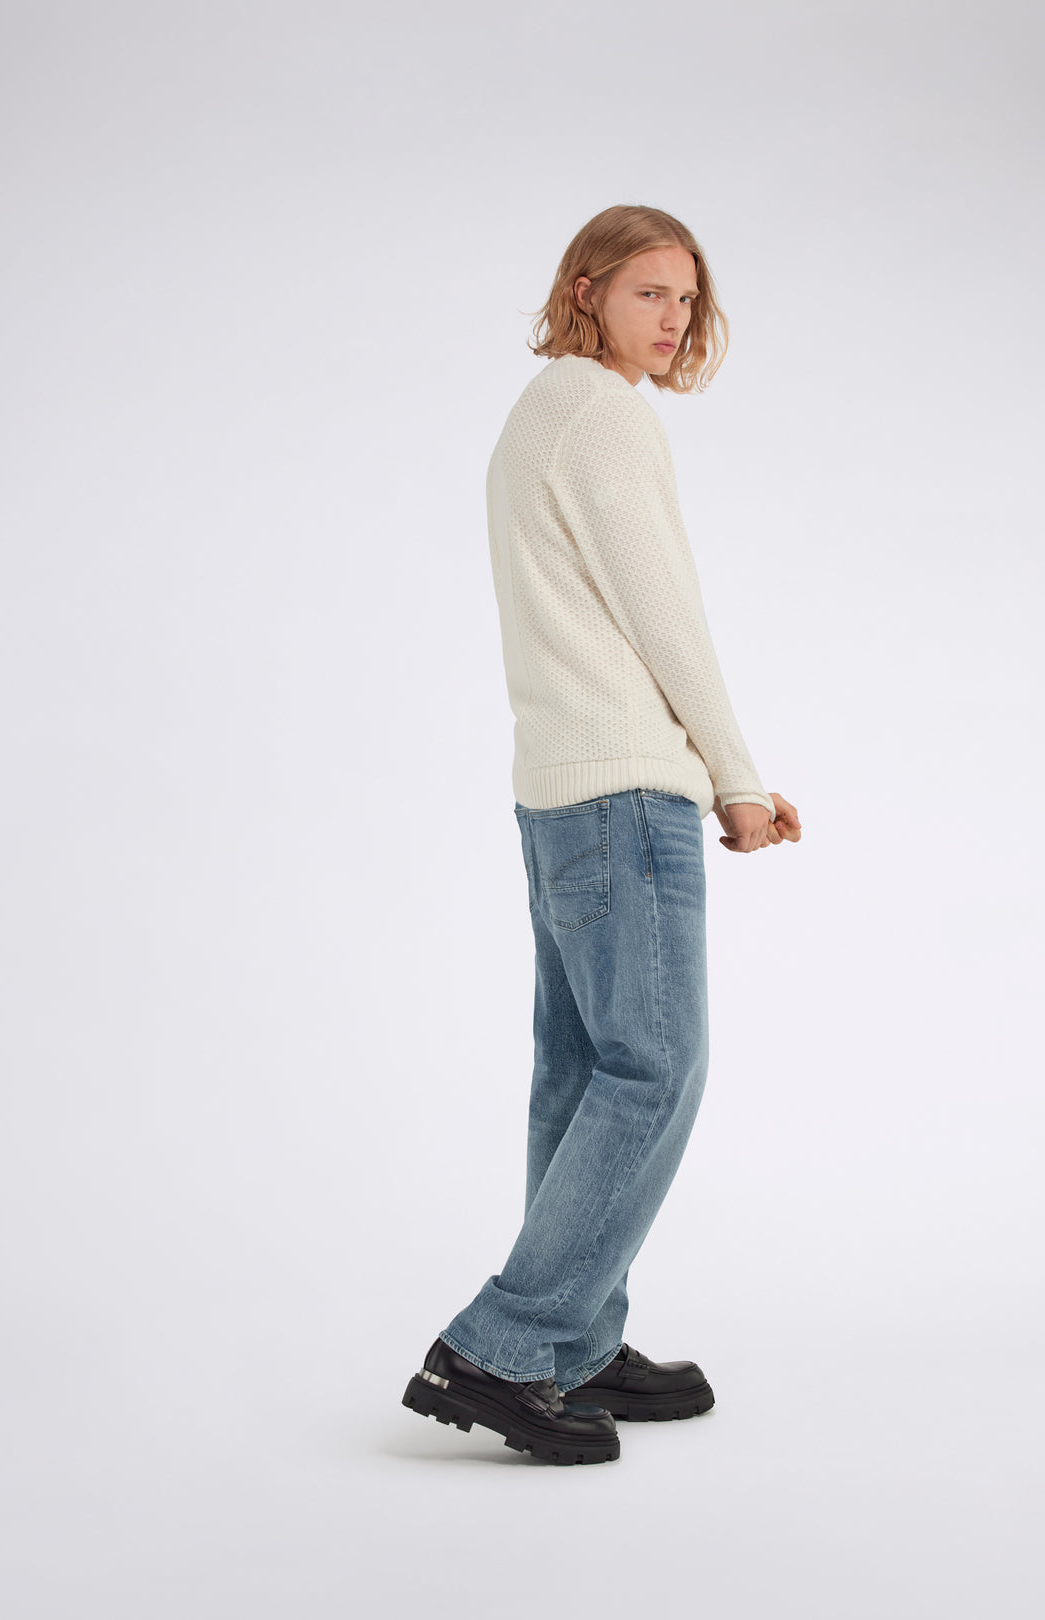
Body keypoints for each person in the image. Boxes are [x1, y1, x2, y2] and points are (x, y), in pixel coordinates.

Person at [402, 204, 802, 1466]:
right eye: (648, 293)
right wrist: (736, 774)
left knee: (583, 1073)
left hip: (560, 789)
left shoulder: (542, 415)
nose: (674, 318)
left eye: (687, 297)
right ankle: (503, 1346)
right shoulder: (604, 415)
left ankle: (569, 1343)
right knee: (655, 1069)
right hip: (627, 789)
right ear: (584, 291)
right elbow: (663, 612)